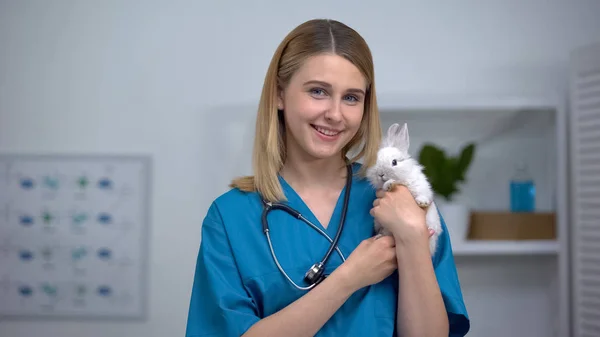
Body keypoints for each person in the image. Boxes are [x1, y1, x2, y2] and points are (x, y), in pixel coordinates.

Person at [185, 18, 470, 337]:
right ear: (280, 95)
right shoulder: (230, 217)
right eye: (318, 91)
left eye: (351, 97)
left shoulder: (399, 202)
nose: (335, 114)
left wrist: (413, 238)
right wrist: (350, 276)